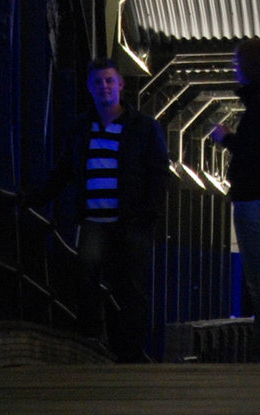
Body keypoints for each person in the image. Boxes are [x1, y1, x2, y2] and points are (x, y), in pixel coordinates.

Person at [25, 55, 169, 361]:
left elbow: (158, 172)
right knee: (87, 277)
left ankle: (128, 349)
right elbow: (64, 170)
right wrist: (35, 197)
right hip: (94, 221)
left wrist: (149, 212)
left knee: (129, 286)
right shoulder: (80, 128)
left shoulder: (143, 128)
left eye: (108, 81)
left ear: (120, 85)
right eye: (97, 82)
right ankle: (95, 339)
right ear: (89, 88)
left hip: (130, 223)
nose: (104, 87)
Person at [209, 38, 260, 362]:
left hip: (252, 200)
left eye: (236, 63)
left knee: (259, 282)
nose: (234, 68)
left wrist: (226, 138)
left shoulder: (257, 105)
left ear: (248, 67)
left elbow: (252, 152)